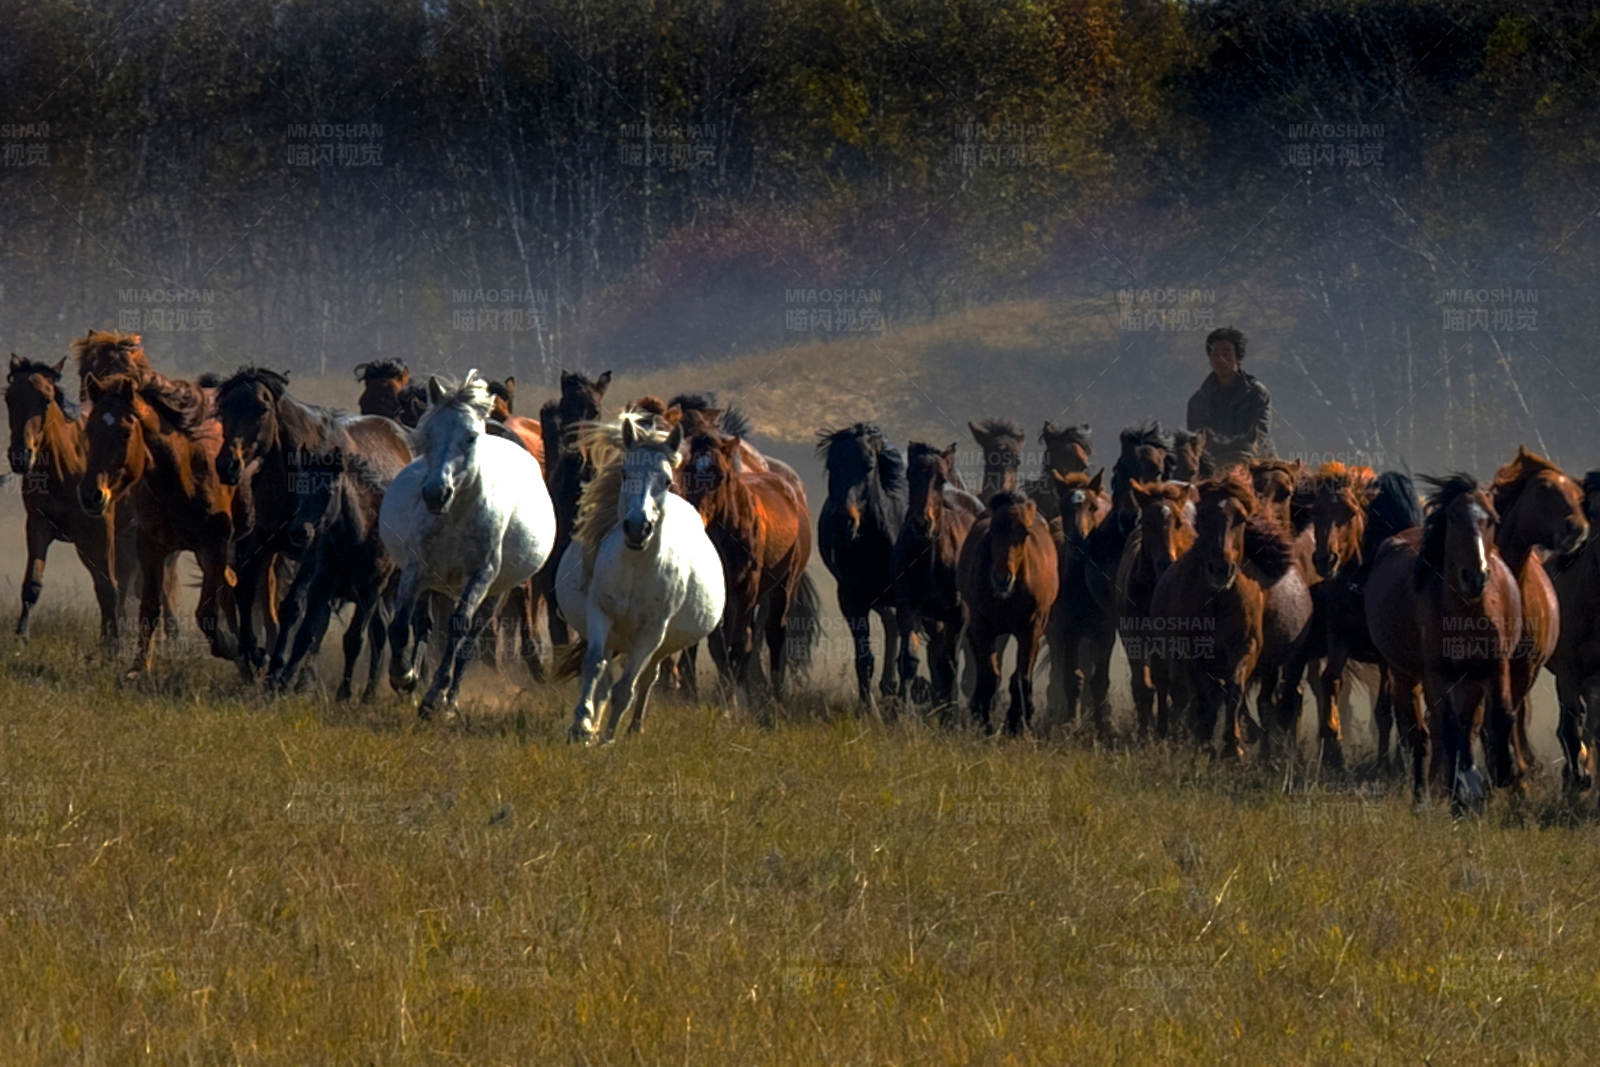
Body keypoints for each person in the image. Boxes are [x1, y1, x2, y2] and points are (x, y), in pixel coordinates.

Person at [1186, 326, 1271, 468]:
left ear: (1239, 357)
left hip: (1254, 460)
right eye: (1215, 354)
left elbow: (1259, 434)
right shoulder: (1199, 399)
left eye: (1226, 353)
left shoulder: (1256, 392)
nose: (1220, 359)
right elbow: (1198, 439)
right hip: (1213, 463)